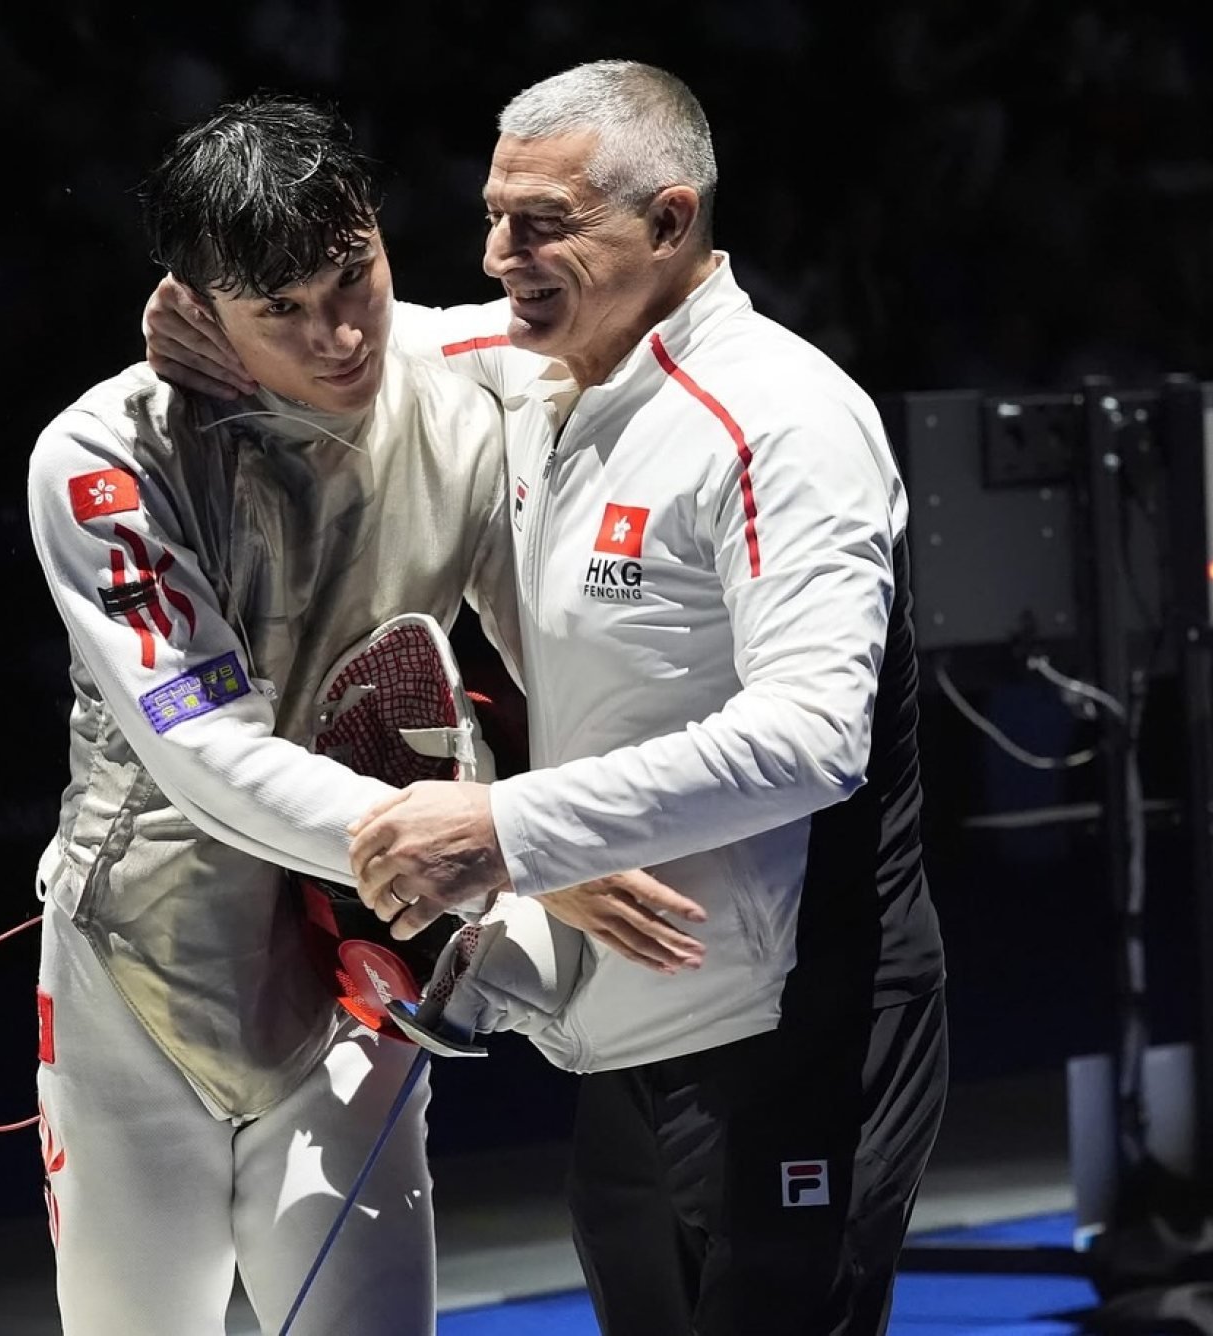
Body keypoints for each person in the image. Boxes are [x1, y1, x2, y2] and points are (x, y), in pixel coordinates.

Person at [146, 60, 947, 1336]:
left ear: (670, 223)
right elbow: (360, 338)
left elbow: (812, 740)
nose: (497, 252)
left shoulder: (784, 422)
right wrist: (216, 317)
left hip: (800, 1020)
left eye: (540, 224)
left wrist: (505, 831)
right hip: (625, 1026)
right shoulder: (537, 363)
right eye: (490, 215)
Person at [27, 92, 703, 1336]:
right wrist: (489, 839)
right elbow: (204, 750)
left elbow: (669, 309)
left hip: (361, 946)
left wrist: (537, 832)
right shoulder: (104, 456)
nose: (339, 335)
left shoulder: (464, 391)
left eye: (354, 277)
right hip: (141, 957)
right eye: (278, 310)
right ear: (194, 305)